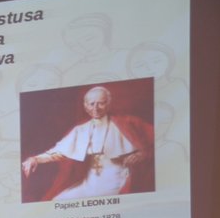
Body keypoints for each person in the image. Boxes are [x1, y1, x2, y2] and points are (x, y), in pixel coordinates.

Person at [22, 85, 153, 201]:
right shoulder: (81, 130)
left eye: (101, 103)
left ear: (108, 104)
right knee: (57, 200)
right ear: (85, 106)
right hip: (90, 182)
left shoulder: (124, 125)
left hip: (115, 179)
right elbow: (58, 153)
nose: (96, 108)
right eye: (91, 104)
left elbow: (150, 145)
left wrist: (141, 155)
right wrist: (35, 159)